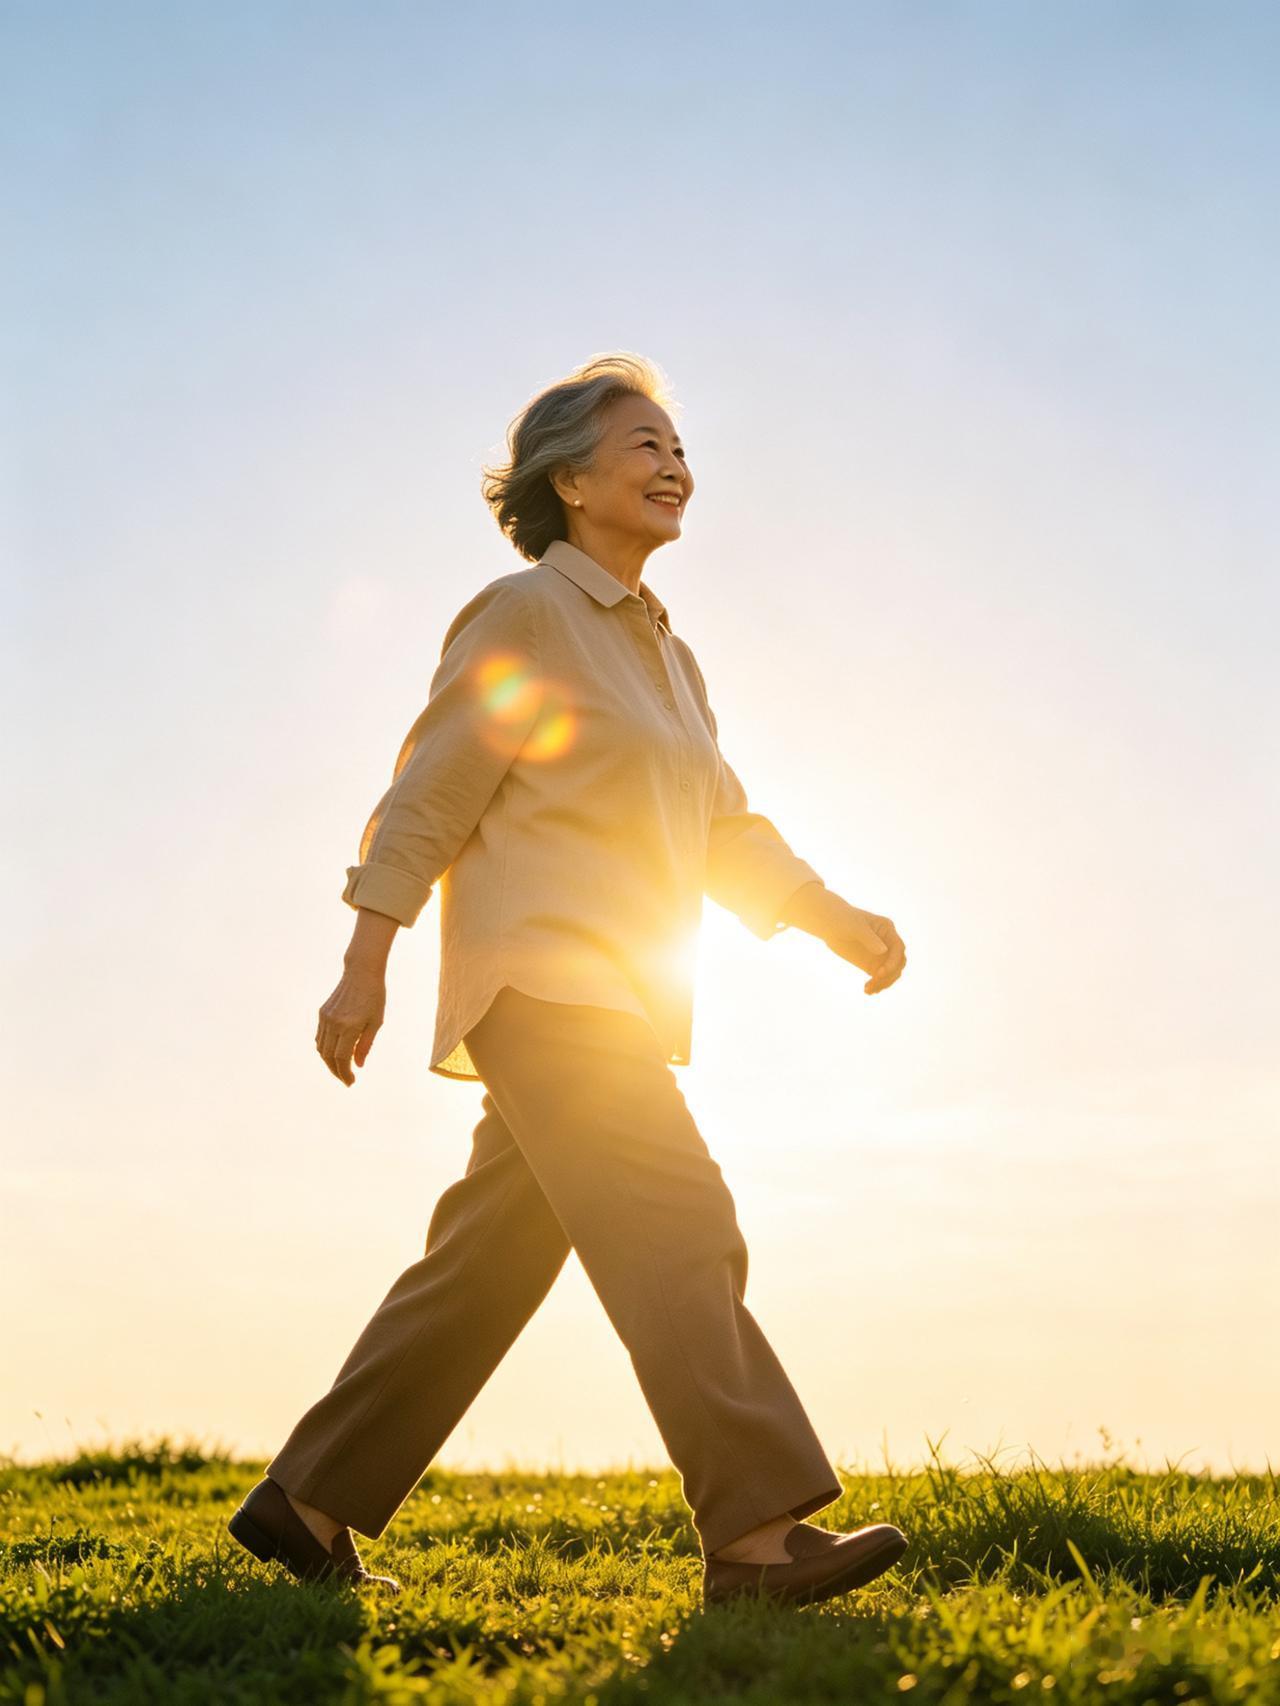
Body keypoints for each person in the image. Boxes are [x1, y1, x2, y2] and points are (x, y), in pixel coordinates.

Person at [228, 352, 909, 1608]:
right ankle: (755, 1534)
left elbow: (721, 826)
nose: (673, 466)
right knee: (680, 1221)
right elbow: (430, 792)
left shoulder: (665, 655)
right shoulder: (521, 613)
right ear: (569, 480)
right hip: (541, 989)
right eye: (642, 444)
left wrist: (830, 917)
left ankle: (306, 1502)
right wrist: (363, 958)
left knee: (487, 1259)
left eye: (680, 448)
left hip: (617, 996)